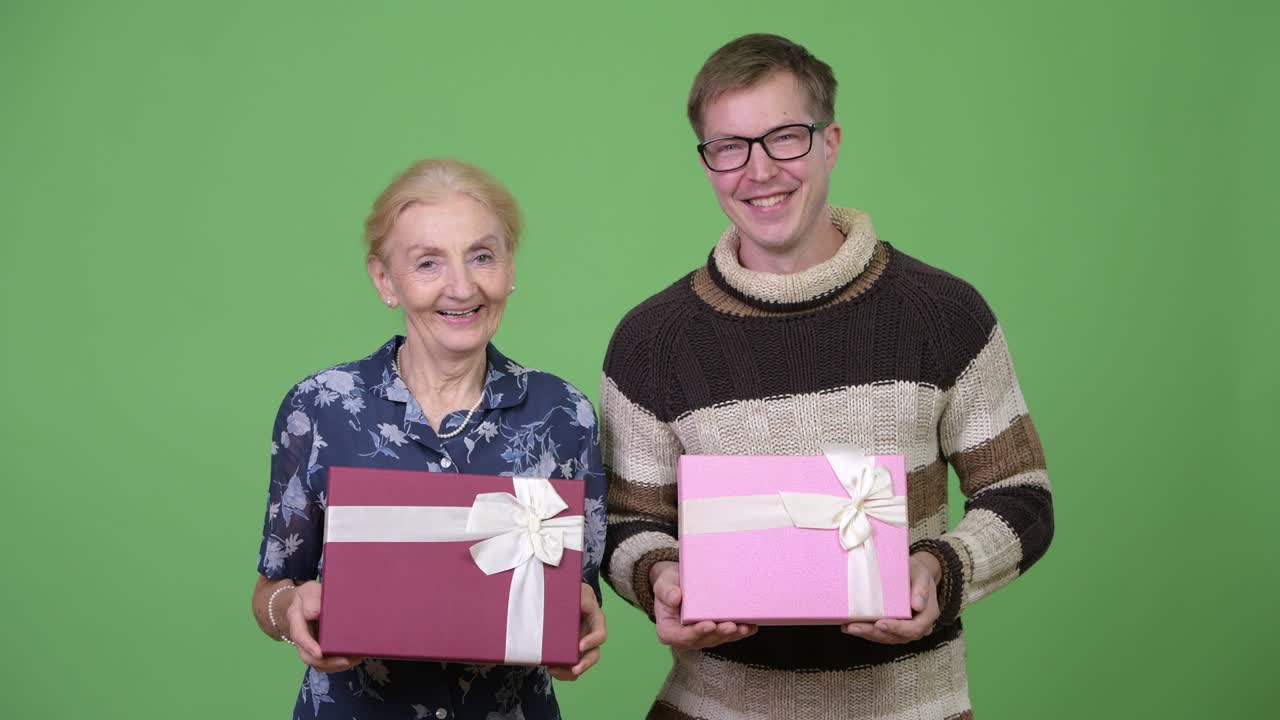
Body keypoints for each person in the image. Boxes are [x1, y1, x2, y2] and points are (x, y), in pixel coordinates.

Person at [600, 34, 1053, 719]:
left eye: (784, 138)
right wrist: (658, 577)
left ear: (829, 142)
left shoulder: (945, 314)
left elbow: (1022, 495)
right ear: (707, 161)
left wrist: (939, 569)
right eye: (730, 147)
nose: (758, 171)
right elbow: (628, 521)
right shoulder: (651, 341)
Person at [251, 158, 608, 720]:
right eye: (427, 263)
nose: (462, 287)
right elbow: (270, 589)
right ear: (384, 280)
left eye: (483, 256)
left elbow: (578, 591)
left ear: (510, 268)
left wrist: (578, 622)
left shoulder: (564, 415)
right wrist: (290, 607)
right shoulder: (319, 408)